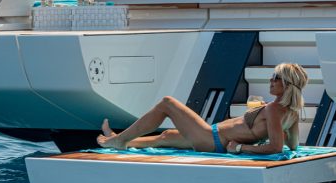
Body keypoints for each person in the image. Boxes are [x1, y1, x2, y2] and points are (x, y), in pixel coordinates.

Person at [97, 62, 308, 155]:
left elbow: (276, 148)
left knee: (167, 103)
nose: (271, 80)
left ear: (287, 84)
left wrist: (240, 148)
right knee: (166, 136)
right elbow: (292, 146)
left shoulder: (274, 109)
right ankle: (118, 140)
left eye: (276, 77)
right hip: (213, 137)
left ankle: (119, 140)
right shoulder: (290, 112)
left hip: (211, 138)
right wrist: (271, 129)